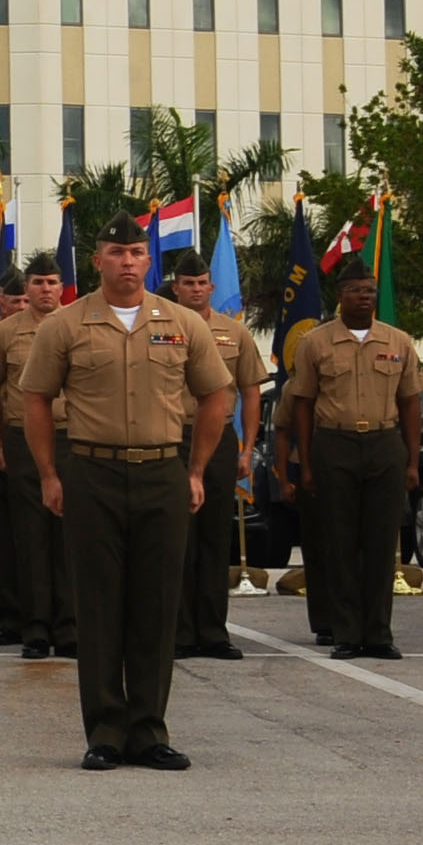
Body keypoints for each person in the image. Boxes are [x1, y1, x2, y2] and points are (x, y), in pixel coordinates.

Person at [15, 216, 234, 769]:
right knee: (98, 604)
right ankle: (106, 732)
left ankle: (150, 730)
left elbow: (216, 396)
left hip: (163, 472)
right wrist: (48, 473)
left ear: (149, 259)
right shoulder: (65, 324)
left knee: (157, 605)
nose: (129, 262)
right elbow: (36, 399)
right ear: (97, 260)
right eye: (117, 252)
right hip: (92, 471)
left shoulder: (183, 324)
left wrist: (196, 469)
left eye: (137, 252)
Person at [282, 268, 423, 660]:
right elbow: (304, 404)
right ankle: (346, 633)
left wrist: (412, 461)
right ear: (340, 296)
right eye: (354, 290)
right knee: (340, 542)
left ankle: (378, 633)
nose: (363, 296)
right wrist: (307, 464)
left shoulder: (398, 341)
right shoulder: (315, 343)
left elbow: (410, 402)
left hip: (384, 442)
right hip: (335, 443)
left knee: (381, 543)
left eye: (369, 290)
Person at [164, 252, 274, 662]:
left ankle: (212, 632)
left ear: (212, 287)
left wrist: (246, 449)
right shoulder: (159, 328)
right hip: (172, 437)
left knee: (215, 538)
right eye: (187, 283)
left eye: (202, 283)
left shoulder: (234, 333)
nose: (195, 289)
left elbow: (250, 391)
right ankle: (177, 632)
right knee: (176, 539)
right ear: (175, 287)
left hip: (219, 439)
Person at [0, 257, 69, 657]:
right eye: (36, 283)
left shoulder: (77, 326)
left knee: (69, 536)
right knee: (26, 534)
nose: (42, 290)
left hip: (72, 438)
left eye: (50, 282)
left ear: (62, 287)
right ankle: (30, 623)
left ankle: (69, 623)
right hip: (22, 437)